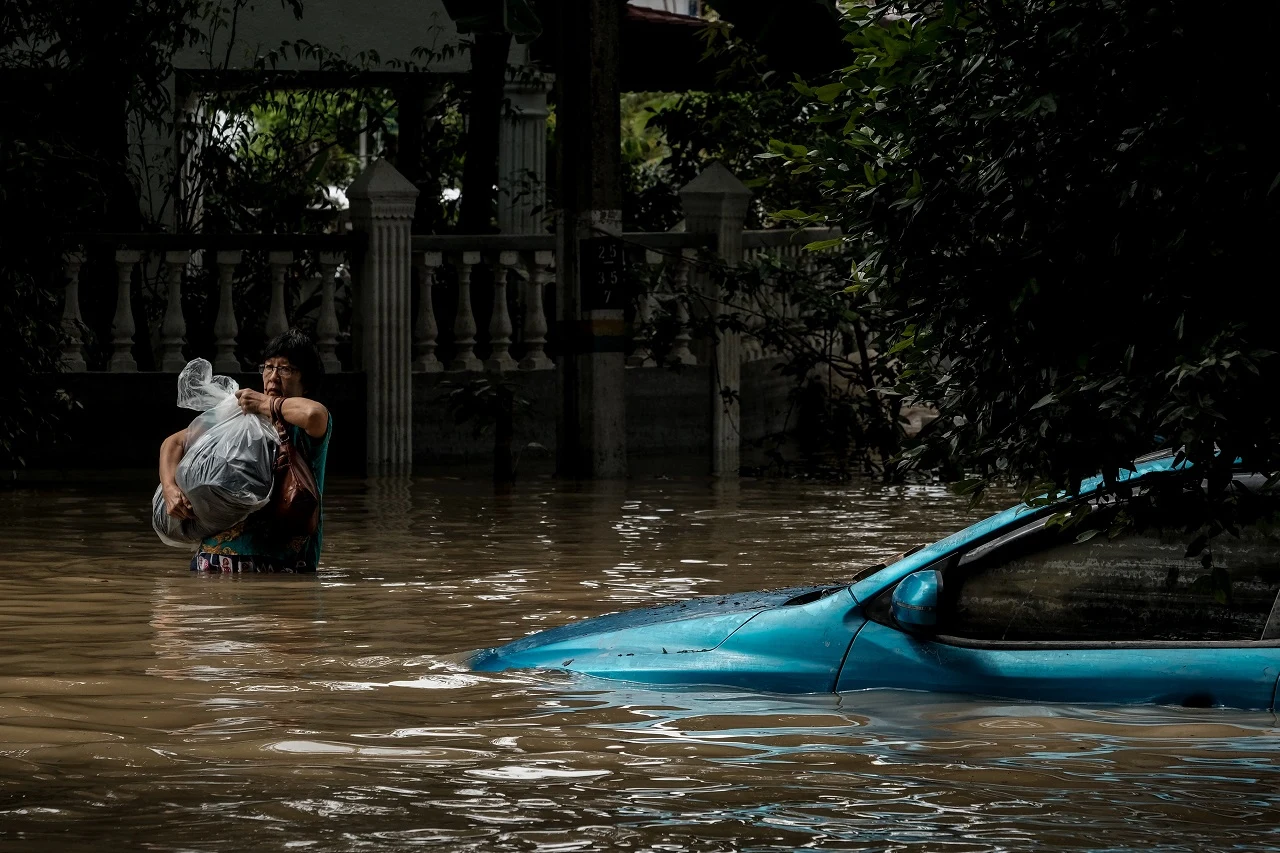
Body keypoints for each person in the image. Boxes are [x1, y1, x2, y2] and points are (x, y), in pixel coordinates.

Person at [158, 329, 333, 573]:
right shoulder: (238, 416)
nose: (273, 377)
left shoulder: (303, 426)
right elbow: (173, 443)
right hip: (212, 562)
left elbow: (315, 414)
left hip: (279, 567)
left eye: (286, 369)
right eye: (268, 367)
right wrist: (170, 488)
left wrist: (264, 404)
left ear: (306, 383)